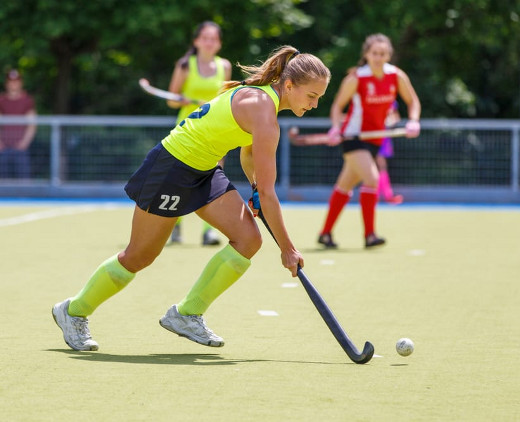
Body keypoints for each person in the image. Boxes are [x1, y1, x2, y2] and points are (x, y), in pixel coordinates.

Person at [52, 46, 331, 351]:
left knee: (248, 240)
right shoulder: (263, 110)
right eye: (312, 96)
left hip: (204, 170)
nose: (315, 104)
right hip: (171, 166)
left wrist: (252, 189)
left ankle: (187, 314)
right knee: (139, 256)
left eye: (319, 97)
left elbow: (249, 154)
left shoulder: (265, 102)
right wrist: (288, 249)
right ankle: (73, 310)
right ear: (289, 85)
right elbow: (268, 192)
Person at [318, 33, 421, 249]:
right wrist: (336, 127)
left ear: (388, 55)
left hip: (375, 139)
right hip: (354, 137)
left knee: (344, 185)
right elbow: (337, 106)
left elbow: (412, 101)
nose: (378, 57)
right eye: (374, 53)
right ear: (366, 54)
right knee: (372, 179)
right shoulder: (356, 78)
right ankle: (370, 235)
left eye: (383, 53)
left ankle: (325, 234)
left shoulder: (396, 76)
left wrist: (413, 121)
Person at [167, 21, 232, 246]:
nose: (209, 42)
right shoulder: (185, 65)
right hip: (186, 131)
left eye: (213, 38)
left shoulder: (224, 66)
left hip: (214, 130)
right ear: (196, 41)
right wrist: (181, 100)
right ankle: (173, 227)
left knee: (212, 180)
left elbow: (226, 98)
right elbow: (171, 100)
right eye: (205, 38)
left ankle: (209, 232)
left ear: (219, 43)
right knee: (179, 180)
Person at [0, 69, 37, 179]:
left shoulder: (27, 100)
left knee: (23, 181)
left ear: (21, 82)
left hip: (21, 147)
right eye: (11, 81)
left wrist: (25, 142)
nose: (13, 84)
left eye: (16, 81)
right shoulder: (1, 100)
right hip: (3, 147)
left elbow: (32, 124)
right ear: (6, 83)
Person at [376, 100, 403, 204]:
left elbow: (396, 117)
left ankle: (380, 195)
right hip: (374, 135)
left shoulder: (391, 101)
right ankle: (385, 195)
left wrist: (390, 121)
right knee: (379, 166)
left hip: (384, 137)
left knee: (381, 166)